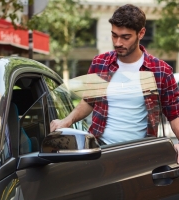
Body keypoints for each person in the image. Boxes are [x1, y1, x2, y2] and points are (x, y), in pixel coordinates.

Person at [50, 4, 179, 162]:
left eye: (125, 37)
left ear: (141, 33)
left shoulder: (160, 71)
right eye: (114, 35)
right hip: (101, 150)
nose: (118, 42)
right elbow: (89, 101)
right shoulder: (101, 63)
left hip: (141, 154)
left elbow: (174, 115)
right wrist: (66, 121)